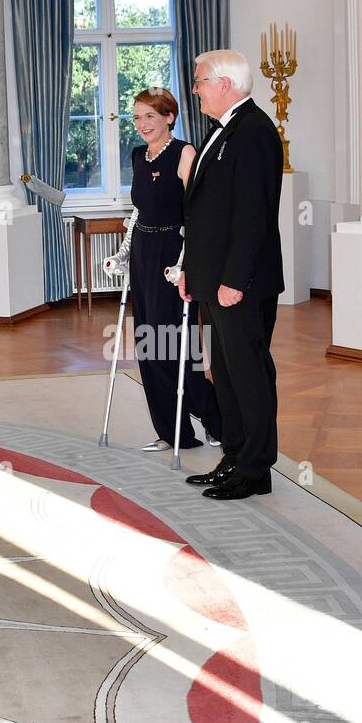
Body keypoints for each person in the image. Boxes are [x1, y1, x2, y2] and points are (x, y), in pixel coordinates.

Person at [179, 50, 284, 501]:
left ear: (224, 84)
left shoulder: (255, 131)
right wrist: (191, 271)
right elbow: (204, 215)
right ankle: (235, 457)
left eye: (201, 81)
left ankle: (256, 469)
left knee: (249, 374)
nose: (196, 88)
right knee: (224, 372)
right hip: (214, 279)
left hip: (241, 283)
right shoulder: (220, 132)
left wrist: (234, 280)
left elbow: (253, 216)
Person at [104, 87, 222, 453]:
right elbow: (139, 210)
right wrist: (123, 254)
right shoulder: (139, 156)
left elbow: (197, 212)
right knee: (147, 344)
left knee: (173, 344)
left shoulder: (185, 153)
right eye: (137, 117)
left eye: (150, 116)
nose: (142, 124)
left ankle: (215, 418)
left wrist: (186, 263)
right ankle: (173, 433)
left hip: (173, 254)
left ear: (169, 117)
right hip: (142, 251)